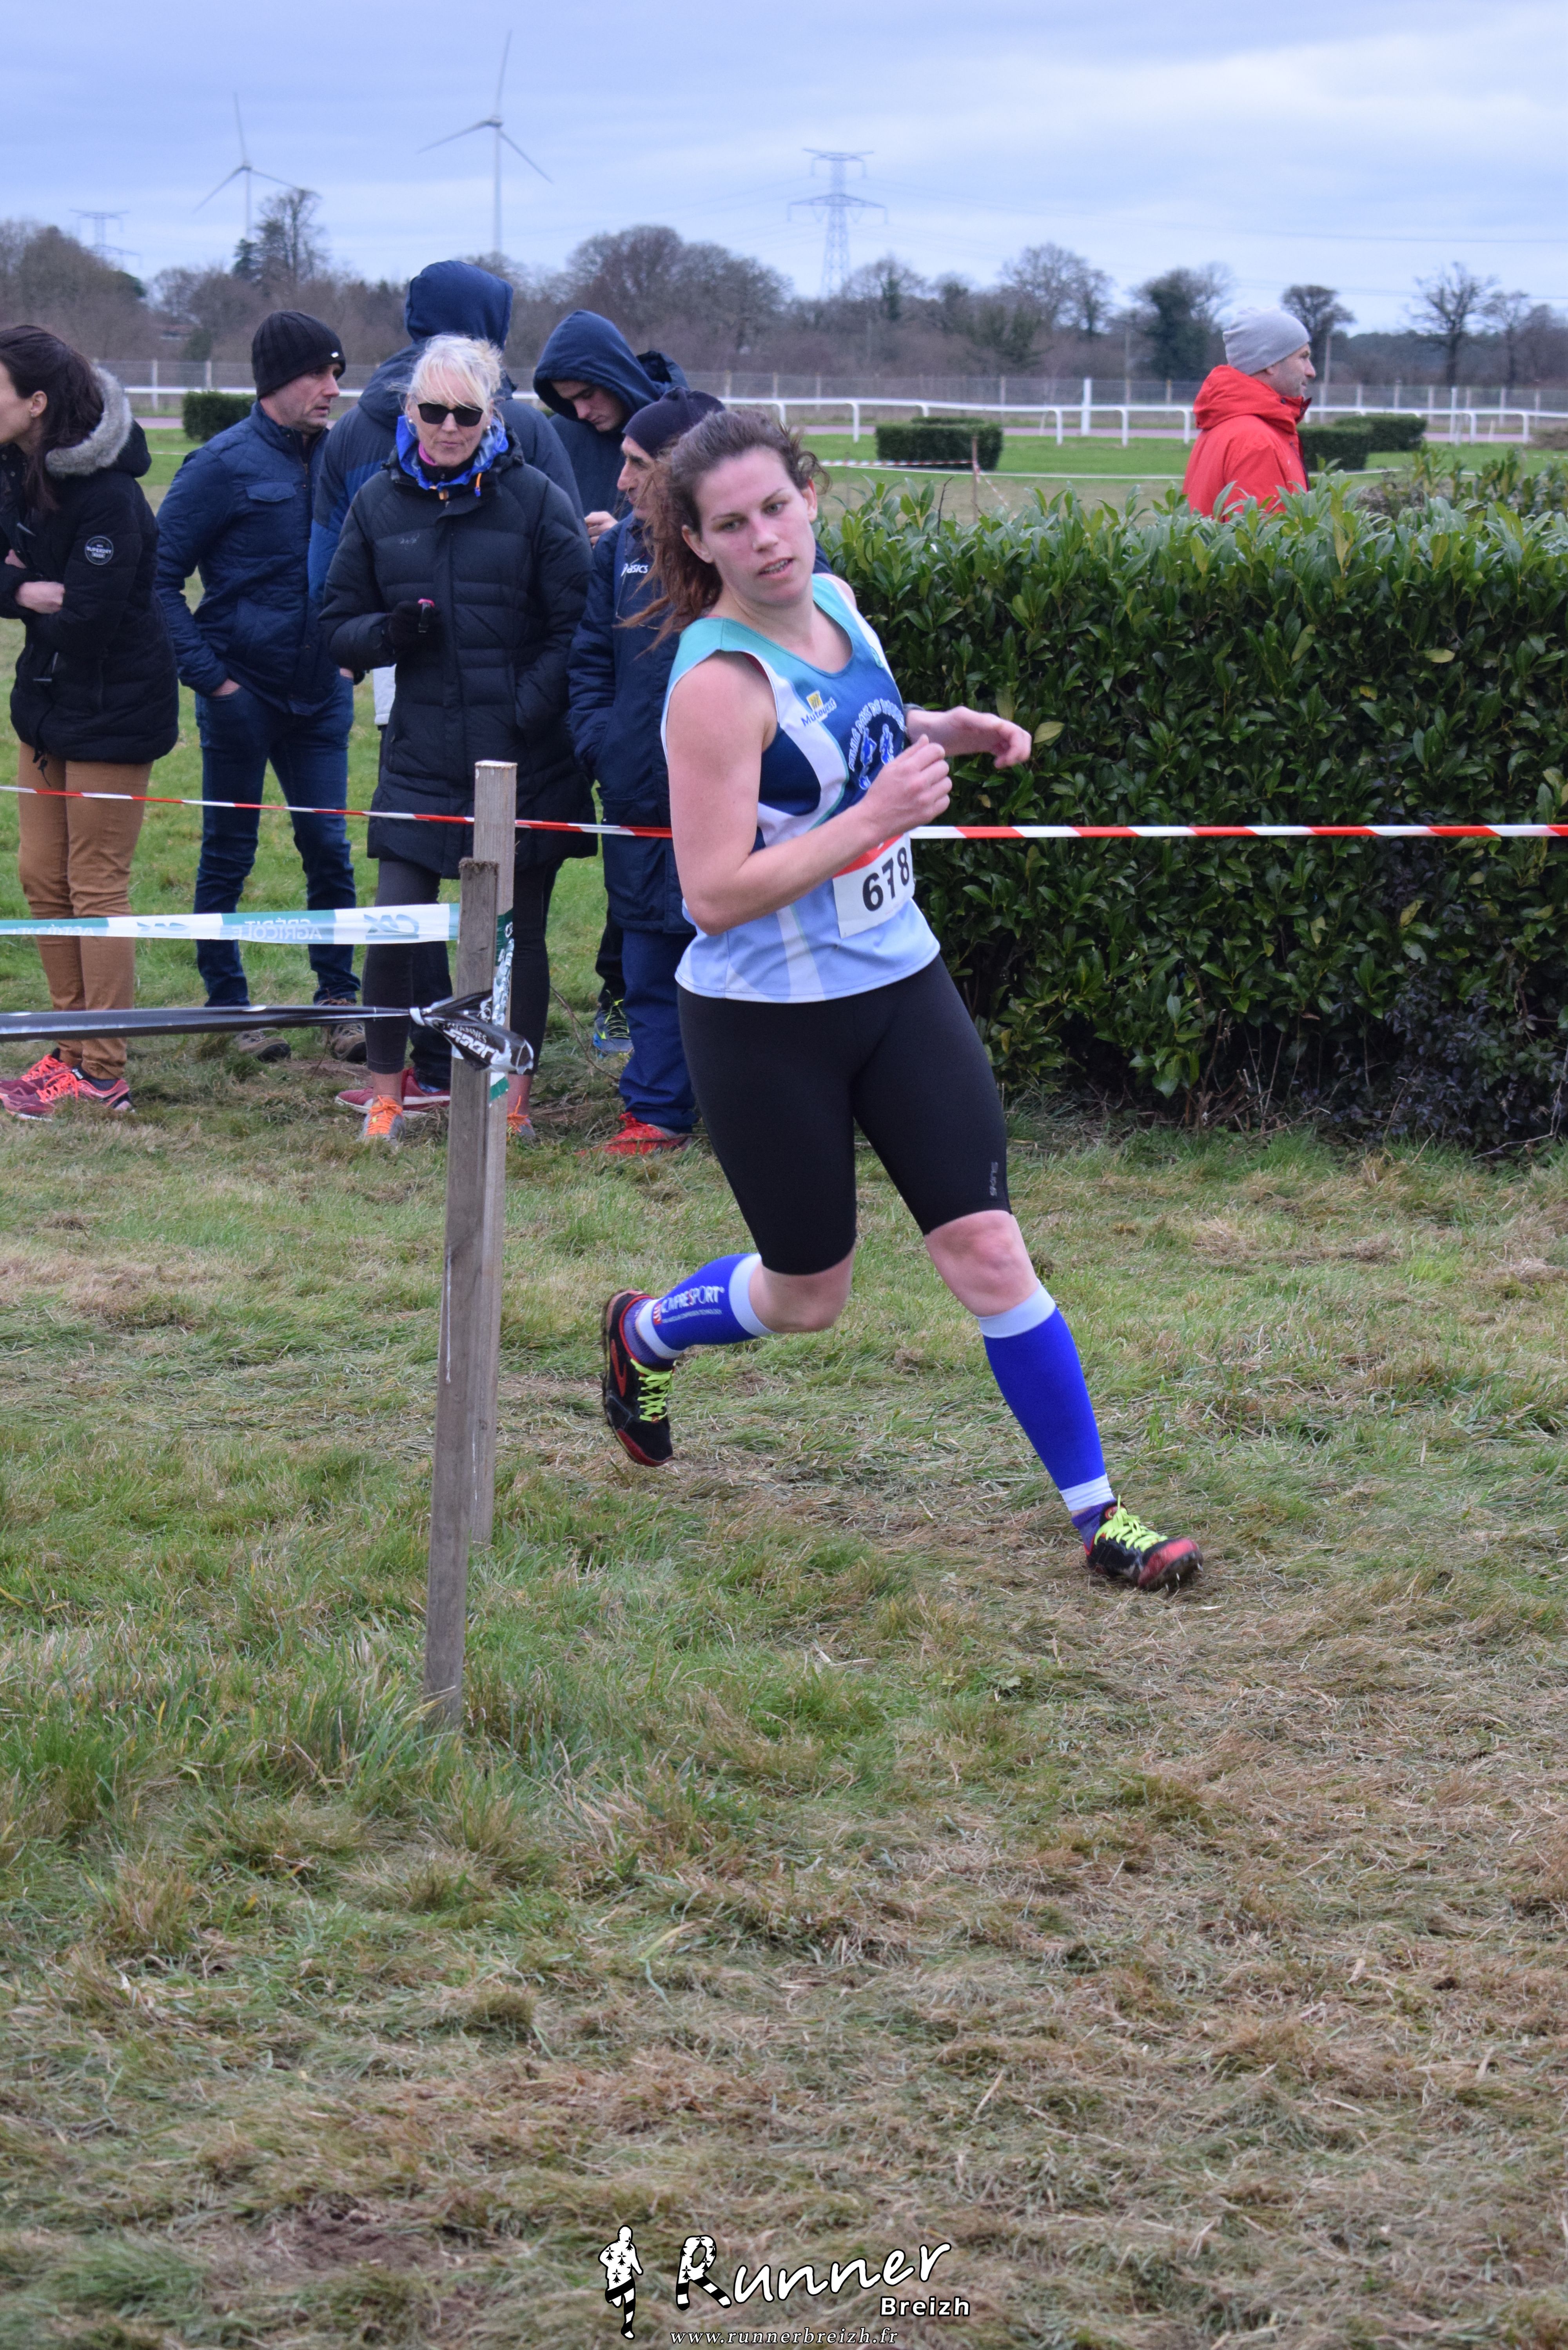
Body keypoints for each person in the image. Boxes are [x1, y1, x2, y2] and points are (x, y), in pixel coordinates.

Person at [598, 409, 1200, 1594]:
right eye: (734, 524)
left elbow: (839, 731)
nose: (767, 538)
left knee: (988, 1248)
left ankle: (1100, 1517)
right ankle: (646, 1332)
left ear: (810, 495)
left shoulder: (836, 603)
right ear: (698, 542)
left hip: (897, 981)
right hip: (766, 1020)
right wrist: (875, 818)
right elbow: (712, 893)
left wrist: (936, 729)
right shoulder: (715, 684)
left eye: (779, 506)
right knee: (807, 1294)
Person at [319, 334, 591, 1144]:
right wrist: (388, 634)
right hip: (419, 758)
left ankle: (512, 1102)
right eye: (432, 411)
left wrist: (522, 710)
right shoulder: (376, 503)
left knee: (516, 937)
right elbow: (336, 625)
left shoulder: (538, 499)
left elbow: (577, 628)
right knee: (395, 927)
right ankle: (385, 1098)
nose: (447, 427)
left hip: (522, 759)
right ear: (408, 412)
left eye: (465, 415)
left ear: (491, 417)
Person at [154, 309, 361, 1060]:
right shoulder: (219, 465)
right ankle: (229, 1006)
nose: (333, 389)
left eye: (337, 373)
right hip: (241, 694)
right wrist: (214, 681)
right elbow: (157, 579)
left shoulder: (344, 461)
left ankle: (340, 1000)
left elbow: (369, 565)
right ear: (276, 381)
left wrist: (352, 660)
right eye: (319, 374)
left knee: (328, 846)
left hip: (321, 695)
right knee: (228, 852)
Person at [0, 332, 178, 1120]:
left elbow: (89, 622)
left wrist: (28, 587)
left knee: (95, 884)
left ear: (37, 403)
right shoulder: (12, 470)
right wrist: (27, 590)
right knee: (42, 878)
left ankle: (104, 1070)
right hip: (44, 708)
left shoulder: (110, 497)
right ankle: (68, 1048)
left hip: (116, 710)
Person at [567, 388, 723, 1157]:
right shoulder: (619, 550)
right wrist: (606, 744)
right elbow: (590, 661)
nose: (621, 480)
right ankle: (656, 1114)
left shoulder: (750, 546)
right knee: (647, 962)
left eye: (636, 464)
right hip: (635, 794)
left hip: (733, 804)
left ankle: (754, 1114)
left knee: (735, 966)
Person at [534, 310, 689, 1057]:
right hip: (620, 714)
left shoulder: (688, 429)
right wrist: (602, 739)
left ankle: (656, 1019)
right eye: (567, 401)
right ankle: (621, 997)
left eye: (588, 395)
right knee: (628, 861)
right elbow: (590, 651)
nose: (582, 411)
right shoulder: (561, 439)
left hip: (689, 723)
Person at [1183, 307, 1314, 518]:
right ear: (1270, 363)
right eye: (1303, 357)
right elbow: (1260, 536)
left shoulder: (1225, 424)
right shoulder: (1256, 441)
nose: (1311, 371)